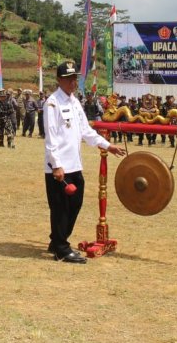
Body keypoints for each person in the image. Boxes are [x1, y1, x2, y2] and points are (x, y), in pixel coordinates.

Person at [44, 61, 125, 263]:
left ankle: (56, 240)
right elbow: (51, 137)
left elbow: (86, 132)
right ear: (59, 80)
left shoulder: (75, 102)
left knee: (75, 203)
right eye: (69, 79)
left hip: (75, 165)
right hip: (59, 167)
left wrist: (107, 145)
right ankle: (61, 249)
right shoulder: (52, 103)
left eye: (75, 78)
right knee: (61, 208)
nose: (73, 82)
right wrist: (56, 165)